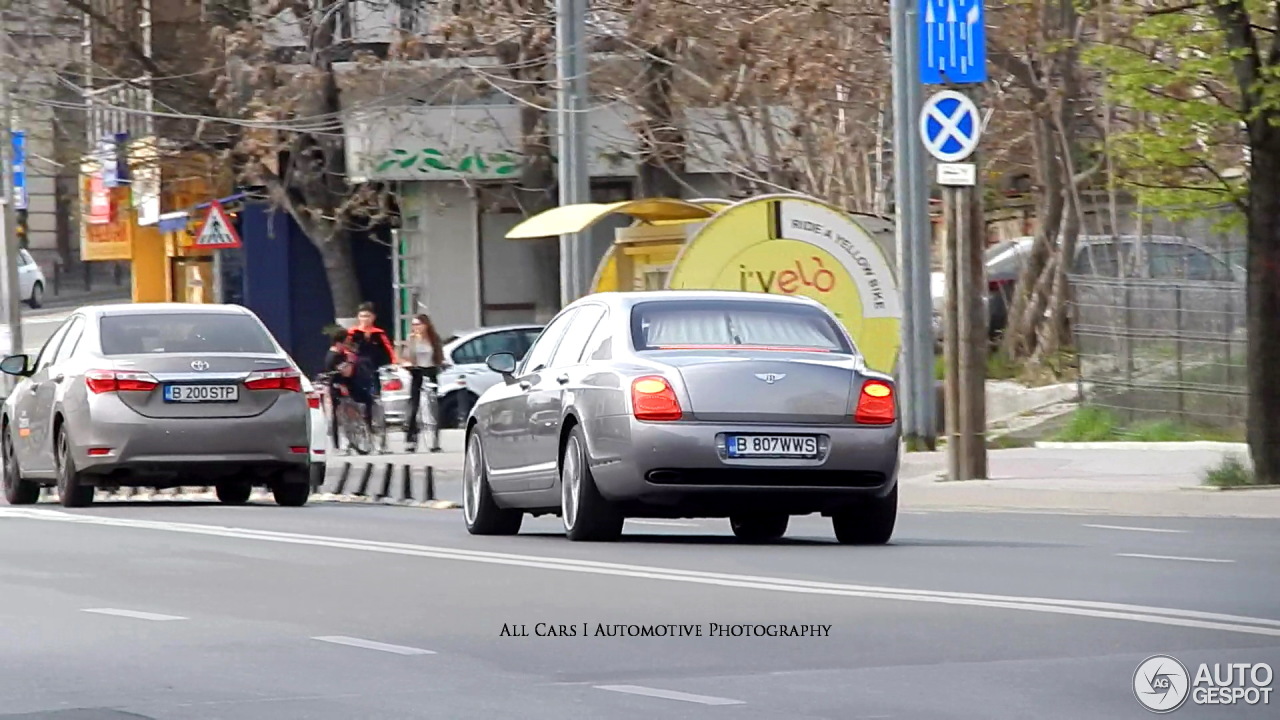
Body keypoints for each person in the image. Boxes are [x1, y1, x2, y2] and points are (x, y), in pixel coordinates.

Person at [345, 302, 398, 450]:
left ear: (373, 317)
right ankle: (356, 435)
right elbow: (347, 350)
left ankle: (376, 433)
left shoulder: (378, 334)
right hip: (357, 372)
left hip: (373, 371)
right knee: (356, 403)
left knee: (375, 402)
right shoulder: (353, 333)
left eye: (367, 315)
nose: (364, 319)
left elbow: (390, 351)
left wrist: (394, 364)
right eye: (362, 316)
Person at [399, 313, 446, 452]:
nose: (416, 327)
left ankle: (434, 441)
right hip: (417, 372)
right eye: (413, 324)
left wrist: (441, 364)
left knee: (433, 408)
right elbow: (405, 356)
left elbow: (439, 356)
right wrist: (407, 364)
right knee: (414, 407)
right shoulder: (411, 339)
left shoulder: (433, 338)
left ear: (426, 325)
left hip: (430, 372)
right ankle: (411, 441)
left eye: (418, 324)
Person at [322, 329, 369, 452]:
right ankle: (340, 444)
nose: (348, 345)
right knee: (339, 415)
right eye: (346, 342)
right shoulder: (335, 356)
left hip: (343, 386)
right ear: (339, 343)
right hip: (338, 387)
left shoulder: (338, 354)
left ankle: (345, 442)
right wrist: (350, 361)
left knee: (342, 415)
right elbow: (346, 372)